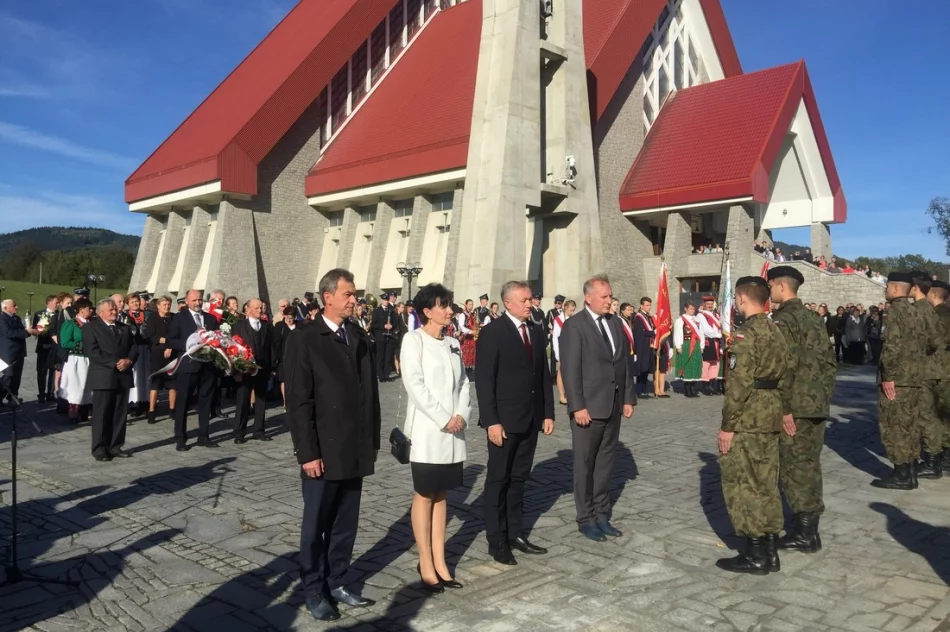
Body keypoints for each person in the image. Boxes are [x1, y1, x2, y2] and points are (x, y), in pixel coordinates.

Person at [285, 268, 380, 622]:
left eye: (354, 294)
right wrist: (307, 453)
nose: (354, 300)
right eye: (348, 294)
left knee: (345, 523)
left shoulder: (356, 335)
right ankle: (313, 589)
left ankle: (338, 580)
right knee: (316, 526)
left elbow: (370, 392)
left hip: (354, 446)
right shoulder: (306, 337)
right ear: (328, 296)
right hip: (323, 449)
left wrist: (372, 438)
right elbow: (298, 400)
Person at [475, 280, 554, 565]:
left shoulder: (535, 329)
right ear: (508, 303)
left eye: (531, 299)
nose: (530, 304)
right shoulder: (493, 332)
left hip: (530, 419)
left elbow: (542, 375)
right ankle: (496, 539)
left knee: (519, 479)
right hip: (504, 423)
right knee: (498, 480)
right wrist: (491, 421)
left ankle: (515, 532)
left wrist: (547, 412)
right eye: (524, 300)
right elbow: (484, 381)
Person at [400, 283, 469, 593]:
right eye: (443, 305)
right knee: (425, 494)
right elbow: (415, 385)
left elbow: (465, 383)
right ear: (427, 311)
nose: (449, 310)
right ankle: (425, 561)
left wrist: (461, 415)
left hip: (454, 433)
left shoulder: (453, 343)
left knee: (442, 495)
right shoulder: (413, 341)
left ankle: (441, 560)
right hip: (429, 432)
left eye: (449, 305)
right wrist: (444, 418)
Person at [716, 276, 787, 575]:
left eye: (736, 298)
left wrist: (727, 425)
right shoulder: (775, 330)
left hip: (748, 417)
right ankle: (770, 550)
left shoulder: (745, 336)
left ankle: (755, 552)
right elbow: (786, 374)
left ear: (743, 298)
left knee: (744, 484)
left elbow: (739, 384)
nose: (735, 303)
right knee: (767, 481)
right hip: (770, 413)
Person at [559, 276, 636, 542]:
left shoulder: (615, 323)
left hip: (613, 405)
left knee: (605, 463)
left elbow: (622, 364)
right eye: (604, 297)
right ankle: (586, 518)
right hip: (588, 409)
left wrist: (628, 397)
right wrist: (577, 406)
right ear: (588, 297)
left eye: (610, 296)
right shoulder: (574, 326)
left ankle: (602, 514)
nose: (609, 301)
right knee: (585, 464)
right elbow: (570, 370)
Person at [766, 266, 836, 554]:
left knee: (795, 468)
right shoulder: (813, 318)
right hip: (816, 405)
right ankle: (809, 530)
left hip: (795, 407)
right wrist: (822, 397)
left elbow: (784, 367)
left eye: (770, 286)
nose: (769, 291)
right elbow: (830, 363)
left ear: (782, 287)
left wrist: (784, 408)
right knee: (809, 465)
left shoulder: (785, 320)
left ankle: (805, 534)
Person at [871, 272, 927, 490]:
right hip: (914, 378)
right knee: (910, 427)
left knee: (894, 427)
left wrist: (889, 376)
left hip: (898, 381)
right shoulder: (915, 311)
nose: (885, 290)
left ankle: (902, 475)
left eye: (887, 286)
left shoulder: (895, 312)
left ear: (894, 288)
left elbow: (892, 347)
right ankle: (911, 473)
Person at [166, 289, 220, 451]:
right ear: (187, 301)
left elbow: (217, 338)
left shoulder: (210, 319)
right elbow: (171, 340)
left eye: (200, 300)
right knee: (183, 402)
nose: (197, 303)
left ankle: (204, 435)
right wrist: (190, 346)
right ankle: (180, 437)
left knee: (205, 401)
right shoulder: (179, 318)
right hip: (188, 366)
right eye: (194, 300)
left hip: (208, 367)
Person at [85, 299, 138, 462]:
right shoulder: (91, 327)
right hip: (104, 376)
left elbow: (134, 348)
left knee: (120, 414)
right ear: (101, 313)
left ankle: (115, 446)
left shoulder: (125, 328)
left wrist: (129, 361)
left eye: (115, 309)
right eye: (110, 310)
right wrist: (115, 363)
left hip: (123, 376)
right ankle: (99, 449)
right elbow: (92, 351)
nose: (114, 312)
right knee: (102, 414)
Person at [908, 272, 945, 479]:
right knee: (930, 416)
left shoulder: (919, 311)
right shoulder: (929, 310)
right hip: (931, 369)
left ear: (915, 287)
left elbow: (934, 342)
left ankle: (932, 462)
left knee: (926, 416)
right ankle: (935, 459)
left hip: (924, 370)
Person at [232, 298, 275, 443]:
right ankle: (239, 432)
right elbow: (234, 348)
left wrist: (271, 367)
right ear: (248, 310)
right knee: (243, 400)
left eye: (261, 308)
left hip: (263, 368)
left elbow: (271, 348)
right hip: (245, 369)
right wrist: (238, 367)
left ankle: (259, 430)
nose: (260, 310)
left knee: (261, 399)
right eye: (256, 308)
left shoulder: (267, 326)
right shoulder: (239, 326)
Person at [57, 299, 93, 422]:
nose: (91, 311)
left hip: (89, 359)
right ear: (81, 310)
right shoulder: (70, 324)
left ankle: (85, 411)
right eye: (89, 308)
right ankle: (73, 413)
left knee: (88, 385)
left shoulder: (92, 323)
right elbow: (65, 342)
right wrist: (82, 344)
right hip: (76, 360)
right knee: (75, 386)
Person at [926, 280, 950, 469]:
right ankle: (946, 458)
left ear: (933, 294)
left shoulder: (934, 316)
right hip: (946, 370)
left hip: (934, 370)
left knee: (932, 416)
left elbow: (930, 343)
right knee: (946, 415)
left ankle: (933, 460)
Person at [143, 296, 177, 424]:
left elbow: (176, 334)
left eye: (168, 304)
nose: (167, 307)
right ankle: (152, 410)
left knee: (173, 382)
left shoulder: (174, 318)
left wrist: (170, 345)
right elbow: (152, 336)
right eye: (164, 304)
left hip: (172, 353)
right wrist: (167, 342)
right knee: (155, 382)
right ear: (158, 306)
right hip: (157, 353)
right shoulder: (152, 318)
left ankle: (172, 409)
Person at [28, 294, 59, 402]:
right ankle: (41, 394)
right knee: (41, 371)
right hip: (43, 346)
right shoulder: (39, 314)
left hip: (54, 347)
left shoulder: (59, 315)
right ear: (49, 303)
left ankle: (50, 393)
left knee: (53, 370)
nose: (57, 305)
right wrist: (40, 330)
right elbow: (35, 330)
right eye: (56, 302)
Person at [0, 299, 30, 404]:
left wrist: (29, 332)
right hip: (8, 353)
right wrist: (25, 332)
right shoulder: (2, 318)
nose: (16, 307)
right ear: (5, 308)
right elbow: (9, 333)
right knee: (8, 375)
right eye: (14, 305)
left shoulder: (17, 318)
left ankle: (13, 397)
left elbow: (23, 332)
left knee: (17, 376)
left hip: (19, 351)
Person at [673, 303, 704, 398]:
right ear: (685, 309)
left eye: (693, 309)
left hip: (696, 345)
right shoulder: (680, 320)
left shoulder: (696, 320)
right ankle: (687, 390)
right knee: (687, 366)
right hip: (686, 344)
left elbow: (701, 333)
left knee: (695, 366)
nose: (692, 310)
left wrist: (702, 345)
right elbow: (678, 333)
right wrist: (678, 346)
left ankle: (693, 388)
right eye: (690, 309)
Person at [632, 298, 657, 397]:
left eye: (650, 305)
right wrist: (653, 332)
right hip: (642, 346)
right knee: (641, 368)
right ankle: (639, 390)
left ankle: (644, 389)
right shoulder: (638, 317)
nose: (649, 307)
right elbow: (640, 333)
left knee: (646, 368)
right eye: (647, 305)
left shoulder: (648, 317)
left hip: (649, 346)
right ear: (641, 306)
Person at [552, 299, 576, 405]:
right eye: (571, 310)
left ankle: (570, 393)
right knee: (561, 372)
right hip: (562, 347)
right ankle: (561, 395)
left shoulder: (573, 319)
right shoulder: (558, 320)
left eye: (573, 310)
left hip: (572, 347)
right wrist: (557, 354)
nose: (572, 313)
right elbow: (555, 337)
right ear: (565, 308)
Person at [273, 306, 297, 408]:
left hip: (297, 357)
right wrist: (275, 359)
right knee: (284, 380)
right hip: (283, 357)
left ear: (295, 317)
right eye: (287, 317)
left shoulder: (300, 327)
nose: (289, 320)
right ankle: (286, 401)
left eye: (291, 317)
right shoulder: (280, 326)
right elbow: (276, 343)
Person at [371, 292, 398, 382]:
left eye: (387, 300)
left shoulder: (391, 310)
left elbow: (395, 322)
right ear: (382, 300)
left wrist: (392, 326)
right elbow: (374, 324)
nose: (386, 301)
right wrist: (383, 326)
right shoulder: (377, 311)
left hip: (389, 336)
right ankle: (381, 376)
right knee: (381, 357)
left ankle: (387, 375)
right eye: (385, 300)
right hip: (381, 337)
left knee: (388, 357)